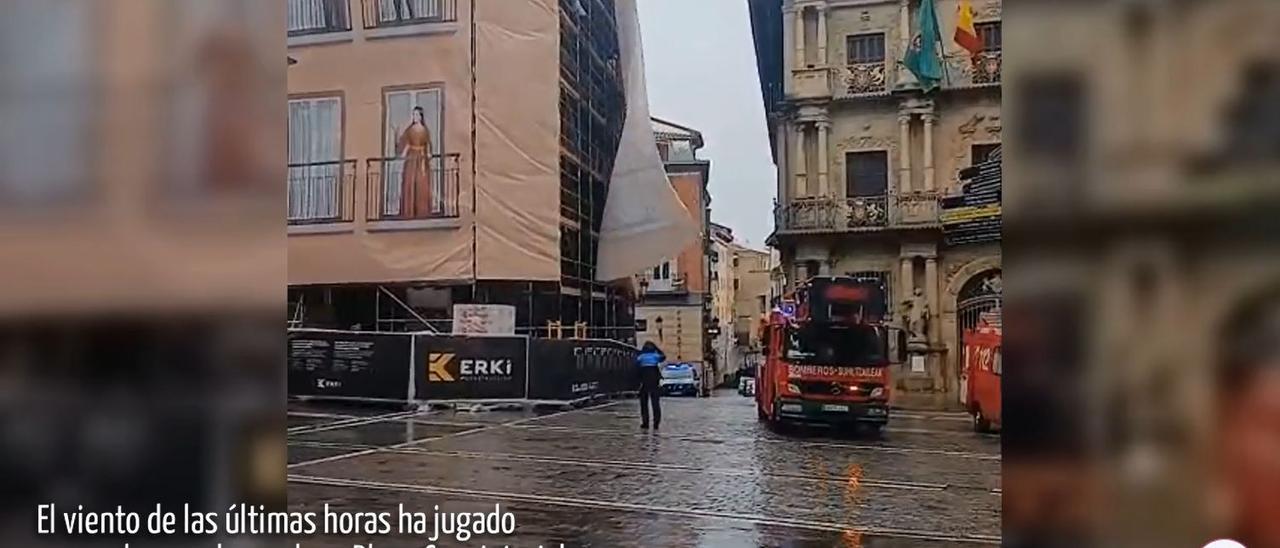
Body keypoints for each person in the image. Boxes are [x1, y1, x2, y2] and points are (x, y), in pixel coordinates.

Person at [395, 106, 434, 218]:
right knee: (409, 182)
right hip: (411, 158)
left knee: (421, 183)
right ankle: (409, 211)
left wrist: (428, 153)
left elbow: (428, 144)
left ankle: (422, 211)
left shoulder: (425, 130)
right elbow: (405, 142)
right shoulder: (409, 130)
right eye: (413, 115)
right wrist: (402, 151)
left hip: (421, 158)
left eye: (417, 115)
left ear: (421, 116)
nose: (415, 117)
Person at [635, 341, 665, 429]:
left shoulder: (641, 357)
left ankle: (645, 422)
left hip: (644, 380)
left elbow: (636, 365)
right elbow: (663, 357)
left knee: (644, 403)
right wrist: (657, 349)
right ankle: (656, 423)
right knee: (655, 403)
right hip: (654, 380)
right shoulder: (655, 356)